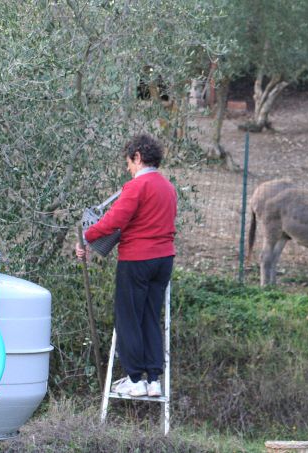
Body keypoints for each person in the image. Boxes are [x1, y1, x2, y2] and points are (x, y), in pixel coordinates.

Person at [75, 134, 177, 397]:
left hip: (137, 260)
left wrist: (87, 237)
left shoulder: (136, 187)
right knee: (150, 317)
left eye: (129, 163)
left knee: (128, 317)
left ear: (138, 157)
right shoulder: (168, 187)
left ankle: (135, 379)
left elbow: (115, 220)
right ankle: (154, 379)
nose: (128, 169)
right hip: (164, 260)